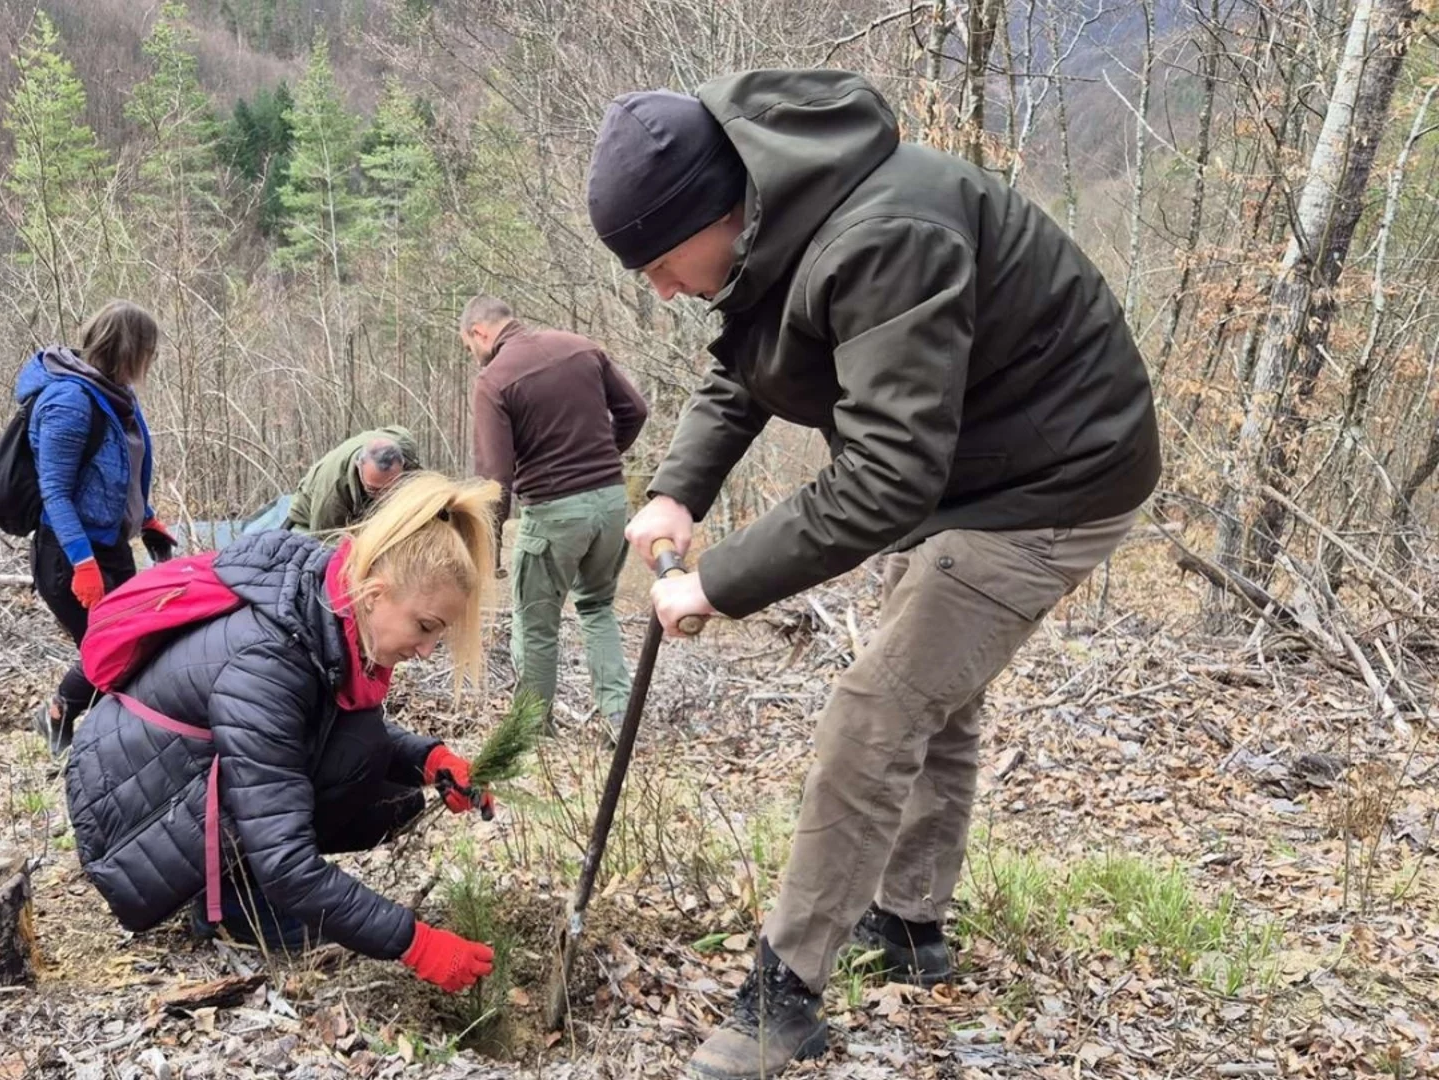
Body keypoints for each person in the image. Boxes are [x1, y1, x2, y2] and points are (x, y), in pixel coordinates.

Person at [586, 71, 1161, 1076]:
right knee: (929, 683)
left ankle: (785, 994)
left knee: (879, 704)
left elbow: (887, 477)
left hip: (1063, 476)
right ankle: (906, 925)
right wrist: (680, 489)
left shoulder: (886, 236)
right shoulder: (778, 219)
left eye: (662, 265)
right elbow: (744, 368)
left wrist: (715, 581)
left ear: (714, 213)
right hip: (978, 466)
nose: (664, 291)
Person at [64, 473, 500, 993]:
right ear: (375, 592)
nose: (427, 651)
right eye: (425, 627)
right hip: (130, 816)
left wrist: (431, 761)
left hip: (165, 781)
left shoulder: (322, 601)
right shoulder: (267, 662)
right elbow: (285, 858)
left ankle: (236, 887)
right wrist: (412, 942)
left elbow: (324, 725)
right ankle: (235, 907)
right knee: (353, 759)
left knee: (369, 760)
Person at [461, 295, 649, 727]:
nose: (473, 355)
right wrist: (604, 456)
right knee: (597, 606)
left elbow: (495, 476)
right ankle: (619, 717)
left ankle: (529, 730)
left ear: (479, 333)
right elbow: (635, 411)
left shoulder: (494, 380)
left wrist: (487, 541)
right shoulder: (581, 346)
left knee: (536, 623)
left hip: (554, 512)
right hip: (611, 503)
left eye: (469, 346)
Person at [16, 300, 175, 754]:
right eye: (148, 349)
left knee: (134, 642)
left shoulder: (119, 396)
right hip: (68, 553)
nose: (151, 359)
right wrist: (82, 561)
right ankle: (60, 716)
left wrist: (146, 518)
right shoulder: (69, 401)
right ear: (128, 348)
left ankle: (89, 729)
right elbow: (56, 491)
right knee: (112, 649)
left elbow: (120, 471)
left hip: (111, 546)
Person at [285, 426, 421, 535]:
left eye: (390, 489)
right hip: (310, 516)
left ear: (403, 464)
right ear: (359, 466)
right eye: (374, 489)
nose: (382, 498)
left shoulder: (404, 445)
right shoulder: (331, 494)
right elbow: (324, 537)